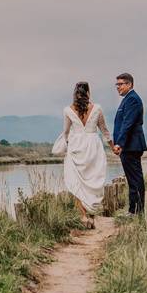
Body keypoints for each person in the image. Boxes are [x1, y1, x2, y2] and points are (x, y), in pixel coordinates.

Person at [58, 81, 110, 228]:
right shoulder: (97, 108)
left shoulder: (68, 110)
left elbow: (66, 132)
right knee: (94, 181)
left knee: (77, 183)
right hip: (94, 148)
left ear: (75, 93)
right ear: (88, 93)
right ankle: (92, 217)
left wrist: (67, 146)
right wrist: (113, 146)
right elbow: (104, 130)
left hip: (76, 148)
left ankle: (83, 217)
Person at [111, 72, 147, 215]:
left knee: (135, 179)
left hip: (131, 145)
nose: (117, 87)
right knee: (133, 179)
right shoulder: (128, 98)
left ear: (129, 84)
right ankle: (135, 210)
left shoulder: (132, 99)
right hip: (129, 145)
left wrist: (119, 143)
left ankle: (136, 211)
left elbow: (128, 124)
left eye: (120, 84)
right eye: (117, 84)